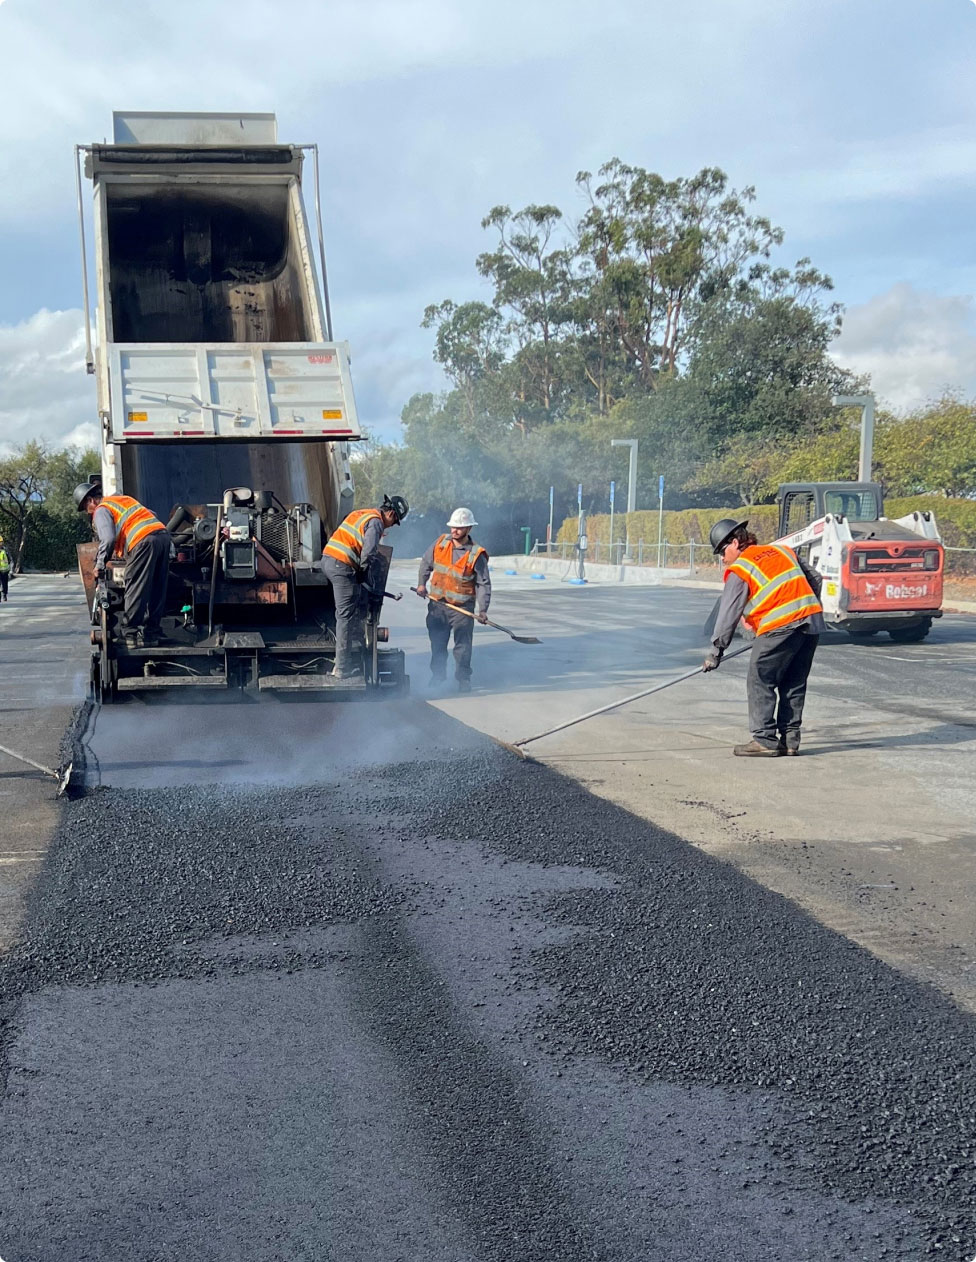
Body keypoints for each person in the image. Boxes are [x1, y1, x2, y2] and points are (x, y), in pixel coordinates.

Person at [703, 517, 824, 757]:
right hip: (810, 621)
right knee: (793, 682)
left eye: (722, 551)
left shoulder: (741, 568)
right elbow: (816, 578)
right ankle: (790, 741)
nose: (722, 558)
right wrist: (804, 607)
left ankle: (764, 739)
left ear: (735, 542)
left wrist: (715, 652)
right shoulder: (782, 551)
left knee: (759, 678)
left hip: (780, 626)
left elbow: (728, 613)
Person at [74, 478, 172, 649]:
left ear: (91, 500)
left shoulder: (101, 509)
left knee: (135, 585)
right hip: (163, 537)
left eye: (85, 508)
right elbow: (152, 514)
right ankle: (152, 633)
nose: (88, 513)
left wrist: (100, 564)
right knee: (157, 587)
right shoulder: (123, 500)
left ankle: (130, 635)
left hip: (143, 541)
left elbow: (108, 538)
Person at [321, 494, 408, 679]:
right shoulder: (376, 523)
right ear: (391, 514)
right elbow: (368, 551)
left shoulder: (362, 513)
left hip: (328, 560)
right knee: (346, 616)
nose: (391, 526)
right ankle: (342, 668)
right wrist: (363, 571)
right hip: (341, 565)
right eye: (394, 522)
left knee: (344, 610)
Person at [416, 508, 490, 693]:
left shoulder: (476, 554)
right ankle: (438, 676)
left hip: (462, 610)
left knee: (462, 647)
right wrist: (421, 584)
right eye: (453, 527)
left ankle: (463, 679)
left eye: (459, 527)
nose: (454, 530)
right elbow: (425, 563)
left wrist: (483, 610)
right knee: (437, 644)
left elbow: (483, 584)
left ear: (469, 529)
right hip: (438, 605)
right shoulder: (441, 543)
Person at [0, 536, 10, 601]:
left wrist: (11, 570)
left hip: (4, 570)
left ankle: (4, 595)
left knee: (4, 583)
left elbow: (10, 559)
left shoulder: (5, 550)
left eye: (1, 542)